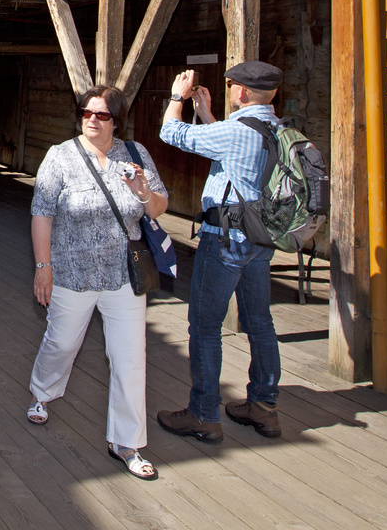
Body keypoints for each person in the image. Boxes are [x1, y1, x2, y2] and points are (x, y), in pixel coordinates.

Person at [27, 84, 168, 480]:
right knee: (61, 343)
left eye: (101, 115)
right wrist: (43, 266)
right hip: (72, 272)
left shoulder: (135, 155)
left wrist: (142, 193)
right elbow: (42, 213)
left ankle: (127, 441)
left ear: (116, 120)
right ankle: (43, 391)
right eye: (86, 112)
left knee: (129, 357)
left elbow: (158, 206)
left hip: (123, 276)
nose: (92, 119)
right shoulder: (60, 157)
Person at [156, 60, 286, 444]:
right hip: (261, 240)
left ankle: (203, 413)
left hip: (225, 237)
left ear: (242, 92)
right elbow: (235, 159)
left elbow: (170, 132)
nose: (231, 90)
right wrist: (208, 115)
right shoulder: (279, 129)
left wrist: (177, 98)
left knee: (206, 326)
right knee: (260, 323)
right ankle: (264, 406)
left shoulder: (235, 131)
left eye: (231, 86)